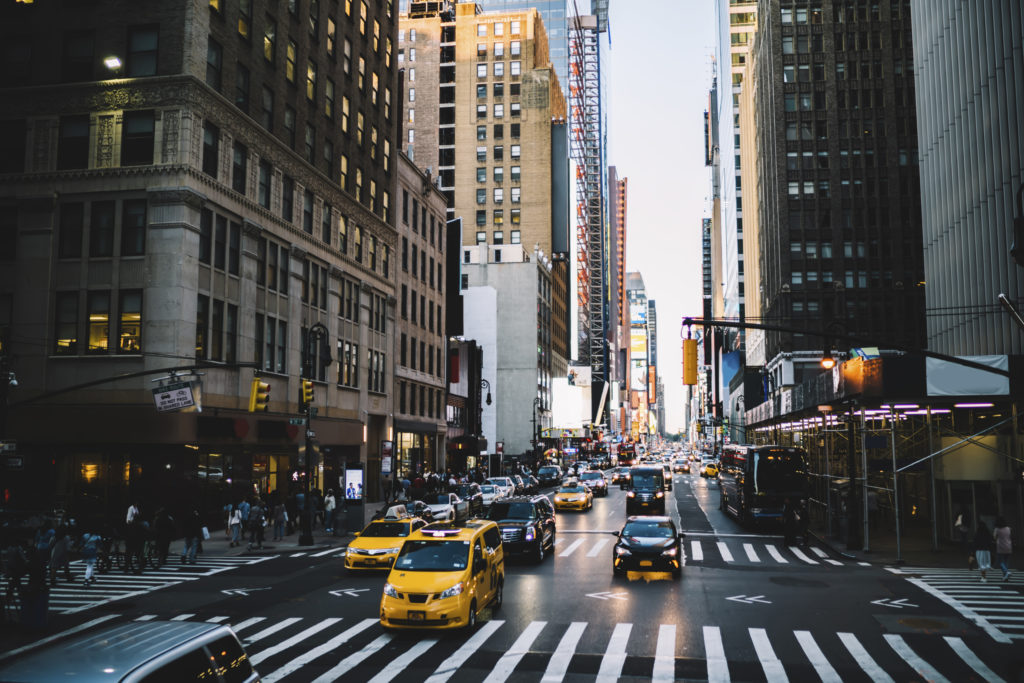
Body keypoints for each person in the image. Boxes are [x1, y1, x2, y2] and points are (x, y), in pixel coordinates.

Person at [993, 516, 1012, 581]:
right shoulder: (1008, 528)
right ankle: (1005, 577)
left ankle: (1006, 572)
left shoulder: (997, 529)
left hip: (1000, 547)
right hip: (1009, 546)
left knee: (1000, 562)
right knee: (1006, 562)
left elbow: (994, 537)